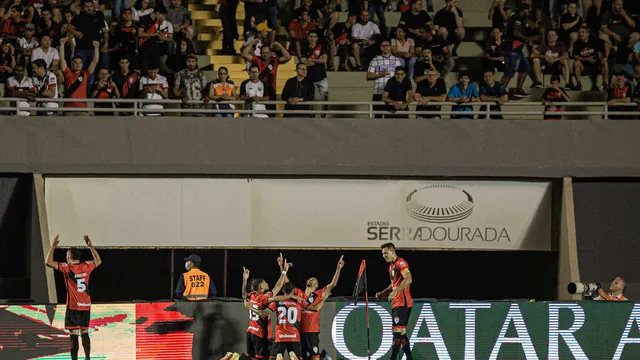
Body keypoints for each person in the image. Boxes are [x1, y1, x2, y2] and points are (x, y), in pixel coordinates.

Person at [45, 234, 102, 360]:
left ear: (70, 257)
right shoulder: (86, 266)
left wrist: (53, 246)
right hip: (86, 305)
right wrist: (90, 246)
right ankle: (87, 357)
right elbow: (98, 261)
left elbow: (48, 262)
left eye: (66, 256)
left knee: (74, 333)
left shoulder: (67, 268)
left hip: (74, 306)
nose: (66, 258)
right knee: (84, 332)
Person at [268, 282, 330, 360]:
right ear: (294, 290)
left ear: (283, 289)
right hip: (294, 336)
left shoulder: (276, 301)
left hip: (280, 336)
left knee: (273, 357)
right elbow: (316, 308)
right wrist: (324, 298)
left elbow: (266, 311)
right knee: (302, 357)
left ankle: (279, 356)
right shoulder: (299, 300)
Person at [243, 260, 291, 360]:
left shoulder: (252, 295)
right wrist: (284, 272)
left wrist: (244, 280)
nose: (268, 284)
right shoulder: (263, 298)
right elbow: (277, 289)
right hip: (260, 334)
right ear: (261, 287)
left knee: (252, 358)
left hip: (250, 332)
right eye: (265, 283)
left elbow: (244, 294)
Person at [376, 243, 413, 360]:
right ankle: (410, 358)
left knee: (397, 334)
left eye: (386, 253)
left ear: (392, 251)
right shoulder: (391, 266)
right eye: (382, 253)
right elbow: (394, 285)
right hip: (398, 302)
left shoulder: (401, 263)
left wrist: (395, 292)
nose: (384, 256)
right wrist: (383, 293)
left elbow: (408, 279)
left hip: (402, 302)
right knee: (401, 334)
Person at [501, 4, 537, 98]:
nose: (528, 13)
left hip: (517, 49)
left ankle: (518, 89)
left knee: (525, 67)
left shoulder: (515, 18)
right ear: (523, 10)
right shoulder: (517, 19)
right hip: (512, 48)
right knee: (510, 71)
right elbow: (515, 32)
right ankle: (500, 92)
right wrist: (529, 38)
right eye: (527, 10)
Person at [241, 40, 291, 106]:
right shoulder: (256, 60)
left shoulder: (274, 60)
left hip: (271, 90)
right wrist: (253, 42)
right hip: (258, 90)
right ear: (260, 53)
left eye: (267, 53)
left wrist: (279, 45)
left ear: (270, 53)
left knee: (271, 114)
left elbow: (288, 57)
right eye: (263, 53)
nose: (265, 54)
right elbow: (244, 54)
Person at [59, 39, 100, 113]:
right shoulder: (67, 72)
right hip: (69, 108)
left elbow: (94, 62)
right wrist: (62, 45)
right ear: (72, 64)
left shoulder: (85, 74)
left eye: (80, 62)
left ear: (82, 64)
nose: (78, 64)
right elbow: (62, 59)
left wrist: (96, 48)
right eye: (75, 62)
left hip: (83, 109)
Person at [367, 39, 402, 118]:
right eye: (383, 45)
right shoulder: (375, 60)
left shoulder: (396, 60)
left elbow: (401, 76)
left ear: (390, 47)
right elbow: (368, 76)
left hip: (392, 93)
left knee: (391, 116)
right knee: (377, 116)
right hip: (378, 92)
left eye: (387, 45)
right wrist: (380, 74)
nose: (385, 47)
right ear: (380, 47)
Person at [572, 26, 608, 91]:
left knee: (605, 63)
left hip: (596, 65)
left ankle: (605, 83)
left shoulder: (594, 40)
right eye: (579, 32)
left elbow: (606, 43)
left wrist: (606, 56)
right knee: (576, 62)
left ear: (587, 33)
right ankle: (578, 84)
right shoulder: (576, 43)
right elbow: (575, 56)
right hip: (584, 67)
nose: (580, 34)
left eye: (583, 32)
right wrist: (586, 59)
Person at [301, 30, 329, 102]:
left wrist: (311, 59)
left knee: (325, 100)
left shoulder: (321, 47)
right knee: (311, 100)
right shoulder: (304, 48)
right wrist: (318, 60)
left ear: (317, 38)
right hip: (309, 79)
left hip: (322, 78)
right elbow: (304, 63)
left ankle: (324, 113)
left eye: (314, 37)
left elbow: (324, 61)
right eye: (310, 37)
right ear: (307, 37)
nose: (312, 38)